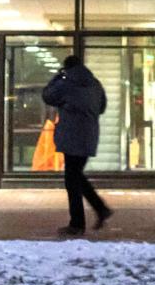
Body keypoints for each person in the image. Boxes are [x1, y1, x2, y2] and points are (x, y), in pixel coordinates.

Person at [42, 54, 112, 236]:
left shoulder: (66, 84)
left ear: (67, 68)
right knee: (75, 175)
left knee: (72, 179)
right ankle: (99, 209)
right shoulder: (95, 84)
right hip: (89, 135)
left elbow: (47, 96)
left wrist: (57, 77)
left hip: (71, 136)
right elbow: (102, 107)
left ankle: (78, 223)